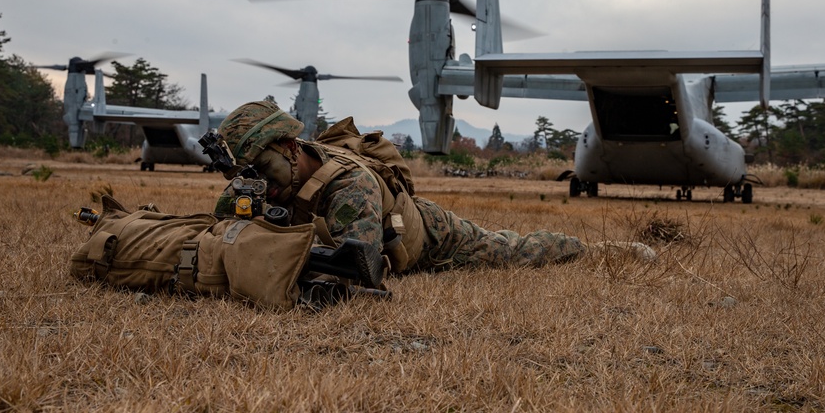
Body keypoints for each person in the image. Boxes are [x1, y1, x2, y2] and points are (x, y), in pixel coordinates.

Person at [213, 100, 584, 274]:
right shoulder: (253, 185)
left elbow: (360, 268)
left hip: (433, 235)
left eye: (261, 168)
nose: (254, 185)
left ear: (291, 149)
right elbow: (215, 233)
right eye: (243, 175)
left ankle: (592, 249)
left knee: (515, 251)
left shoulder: (349, 186)